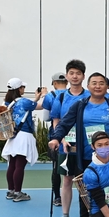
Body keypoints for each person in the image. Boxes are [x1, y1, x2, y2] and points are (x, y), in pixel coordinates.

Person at [49, 72, 109, 217]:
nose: (98, 86)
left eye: (101, 83)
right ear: (88, 86)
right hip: (84, 156)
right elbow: (64, 124)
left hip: (108, 158)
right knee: (85, 192)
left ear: (107, 86)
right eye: (94, 83)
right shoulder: (79, 106)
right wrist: (56, 138)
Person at [50, 59, 91, 217]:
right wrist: (62, 139)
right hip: (66, 146)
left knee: (86, 182)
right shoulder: (60, 97)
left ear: (83, 76)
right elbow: (56, 122)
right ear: (67, 76)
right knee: (67, 181)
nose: (75, 76)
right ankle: (65, 216)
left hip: (85, 147)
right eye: (72, 73)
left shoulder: (89, 96)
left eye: (78, 73)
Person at [2, 78, 46, 202]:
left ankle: (11, 191)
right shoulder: (24, 101)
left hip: (12, 136)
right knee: (20, 166)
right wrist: (44, 95)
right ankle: (18, 193)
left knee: (12, 164)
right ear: (19, 89)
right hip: (24, 136)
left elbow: (26, 108)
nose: (24, 89)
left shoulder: (7, 103)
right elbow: (41, 106)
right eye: (23, 87)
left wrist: (36, 98)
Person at [42, 72, 68, 206]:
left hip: (56, 136)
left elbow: (46, 117)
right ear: (67, 82)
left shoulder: (50, 96)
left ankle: (57, 197)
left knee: (56, 168)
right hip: (73, 135)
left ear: (55, 83)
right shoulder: (72, 94)